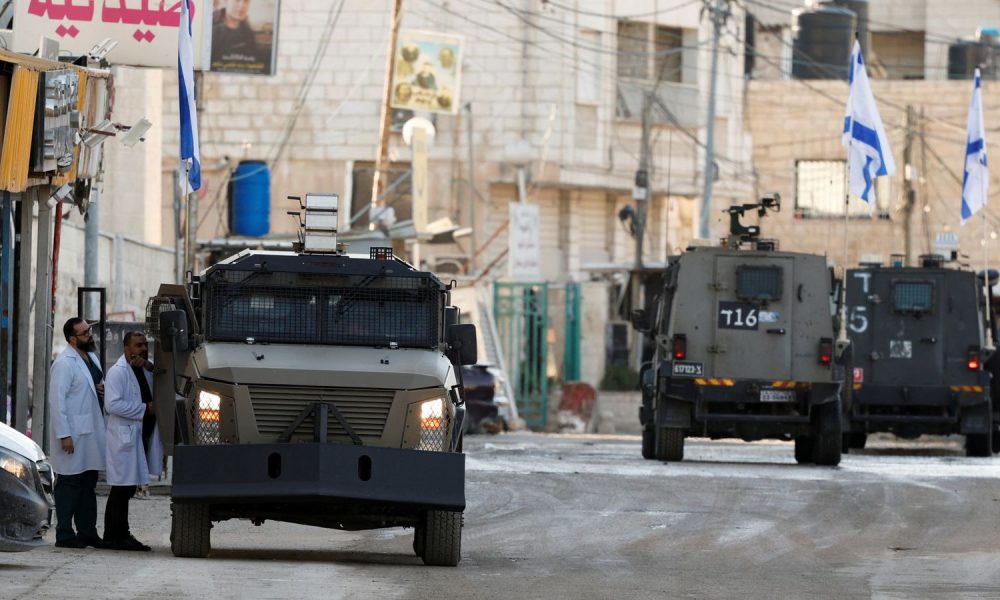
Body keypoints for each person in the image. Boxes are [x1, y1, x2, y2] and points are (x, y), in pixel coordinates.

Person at [48, 318, 106, 549]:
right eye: (84, 333)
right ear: (72, 338)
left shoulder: (90, 357)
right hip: (73, 433)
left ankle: (87, 531)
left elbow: (91, 386)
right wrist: (64, 435)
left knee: (87, 483)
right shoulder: (64, 363)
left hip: (90, 431)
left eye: (89, 331)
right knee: (69, 483)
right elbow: (57, 402)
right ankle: (64, 533)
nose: (89, 335)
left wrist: (100, 389)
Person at [103, 331, 161, 552]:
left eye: (145, 344)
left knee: (126, 488)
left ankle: (113, 535)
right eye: (138, 345)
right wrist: (144, 409)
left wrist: (147, 365)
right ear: (126, 349)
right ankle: (119, 535)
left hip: (137, 434)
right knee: (122, 488)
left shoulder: (143, 368)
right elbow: (112, 405)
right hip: (123, 435)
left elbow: (162, 375)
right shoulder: (118, 372)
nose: (143, 348)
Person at [210, 0, 261, 66]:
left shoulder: (249, 34)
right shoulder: (209, 26)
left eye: (246, 1)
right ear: (226, 1)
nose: (242, 5)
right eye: (237, 0)